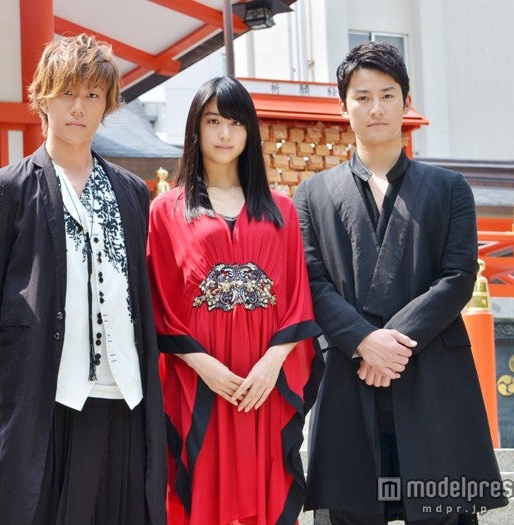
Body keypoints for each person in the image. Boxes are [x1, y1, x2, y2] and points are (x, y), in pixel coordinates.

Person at [293, 41, 508, 524]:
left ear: (406, 102)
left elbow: (458, 276)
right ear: (343, 106)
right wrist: (363, 342)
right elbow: (312, 281)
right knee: (352, 509)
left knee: (440, 509)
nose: (376, 108)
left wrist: (390, 344)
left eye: (387, 95)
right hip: (350, 371)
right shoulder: (312, 194)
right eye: (362, 96)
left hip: (431, 370)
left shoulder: (449, 188)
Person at [0, 34, 166, 525]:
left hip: (124, 393)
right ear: (42, 97)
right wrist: (16, 360)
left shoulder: (132, 192)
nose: (79, 107)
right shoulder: (7, 188)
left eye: (92, 95)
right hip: (46, 393)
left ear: (107, 104)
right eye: (67, 92)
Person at [147, 76, 323, 525]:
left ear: (249, 131)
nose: (225, 133)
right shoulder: (166, 210)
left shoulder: (281, 210)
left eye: (235, 122)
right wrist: (205, 367)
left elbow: (298, 297)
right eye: (213, 121)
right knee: (201, 490)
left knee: (265, 487)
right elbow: (160, 301)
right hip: (200, 382)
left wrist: (272, 365)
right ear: (196, 128)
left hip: (265, 384)